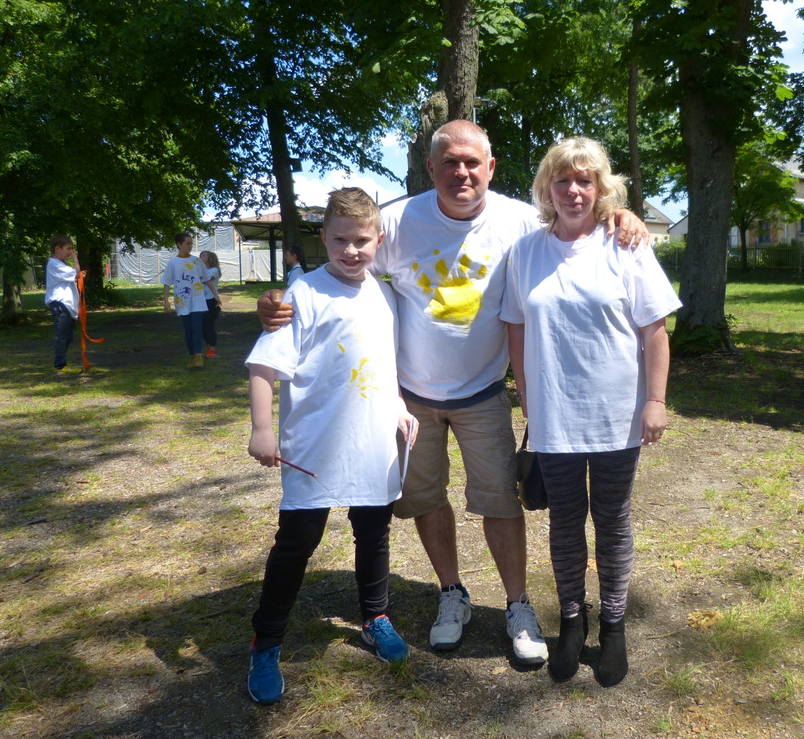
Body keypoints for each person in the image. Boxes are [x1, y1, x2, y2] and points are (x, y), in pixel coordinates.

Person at [257, 120, 648, 667]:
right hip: (411, 397)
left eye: (472, 162)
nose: (461, 173)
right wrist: (282, 297)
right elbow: (344, 254)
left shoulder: (519, 220)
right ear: (431, 168)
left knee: (500, 502)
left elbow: (575, 220)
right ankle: (451, 593)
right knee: (425, 499)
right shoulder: (397, 221)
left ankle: (517, 605)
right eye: (449, 162)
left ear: (490, 167)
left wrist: (620, 216)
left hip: (484, 392)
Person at [501, 137, 680, 687]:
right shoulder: (525, 251)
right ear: (547, 188)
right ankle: (572, 622)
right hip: (554, 414)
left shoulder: (626, 244)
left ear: (601, 188)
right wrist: (526, 394)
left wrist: (655, 401)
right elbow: (516, 327)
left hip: (616, 415)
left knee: (612, 519)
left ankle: (615, 626)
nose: (574, 190)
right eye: (563, 180)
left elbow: (655, 330)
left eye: (585, 180)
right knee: (564, 521)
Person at [245, 187, 419, 706]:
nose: (351, 250)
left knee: (374, 532)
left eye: (361, 240)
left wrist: (400, 405)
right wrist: (261, 428)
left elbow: (384, 362)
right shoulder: (301, 294)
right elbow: (263, 366)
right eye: (340, 240)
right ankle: (266, 642)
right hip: (314, 448)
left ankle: (375, 617)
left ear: (378, 240)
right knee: (298, 541)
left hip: (373, 443)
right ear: (323, 238)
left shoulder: (385, 296)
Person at [161, 232, 208, 369]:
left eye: (191, 243)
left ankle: (199, 356)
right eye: (187, 243)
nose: (190, 246)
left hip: (197, 299)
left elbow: (207, 278)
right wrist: (166, 301)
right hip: (182, 301)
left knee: (197, 327)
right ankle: (192, 356)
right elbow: (166, 283)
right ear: (179, 244)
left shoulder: (197, 261)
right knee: (188, 330)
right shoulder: (173, 263)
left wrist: (216, 295)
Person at [45, 235, 86, 374]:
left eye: (72, 249)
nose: (71, 252)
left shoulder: (60, 265)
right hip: (60, 303)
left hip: (66, 305)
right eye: (68, 249)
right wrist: (75, 259)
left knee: (68, 336)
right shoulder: (54, 264)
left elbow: (75, 276)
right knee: (62, 335)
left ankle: (61, 363)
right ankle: (60, 365)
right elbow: (76, 274)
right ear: (58, 249)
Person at [199, 250, 222, 358]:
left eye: (203, 256)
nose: (201, 257)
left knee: (208, 324)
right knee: (203, 326)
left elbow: (205, 279)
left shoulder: (214, 270)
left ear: (210, 258)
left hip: (211, 300)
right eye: (200, 255)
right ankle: (209, 348)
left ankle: (213, 349)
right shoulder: (201, 270)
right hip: (202, 300)